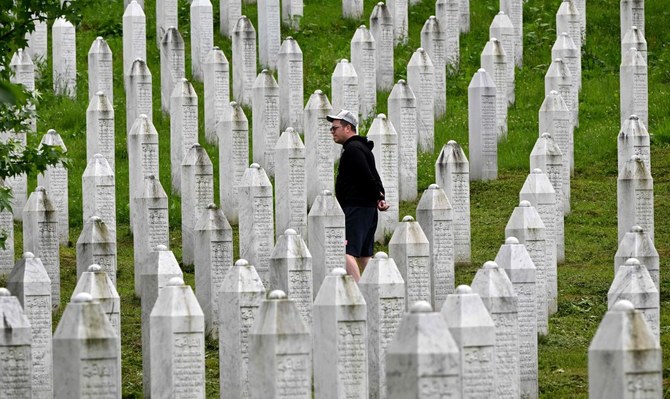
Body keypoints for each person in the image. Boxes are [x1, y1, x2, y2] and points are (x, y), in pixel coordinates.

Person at [327, 109, 389, 282]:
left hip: (356, 209)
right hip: (366, 209)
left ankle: (359, 292)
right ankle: (376, 290)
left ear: (348, 128)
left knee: (344, 251)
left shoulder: (353, 149)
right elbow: (374, 176)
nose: (332, 132)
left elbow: (367, 176)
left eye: (335, 128)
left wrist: (378, 196)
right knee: (363, 255)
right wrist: (379, 197)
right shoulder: (361, 147)